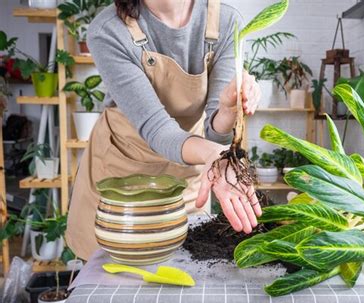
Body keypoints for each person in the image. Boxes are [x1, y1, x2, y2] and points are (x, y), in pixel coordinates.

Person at [66, 0, 262, 260]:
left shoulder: (226, 22)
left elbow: (215, 131)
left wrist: (227, 112)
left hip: (187, 172)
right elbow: (157, 128)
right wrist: (217, 154)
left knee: (183, 271)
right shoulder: (109, 30)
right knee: (117, 285)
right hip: (121, 180)